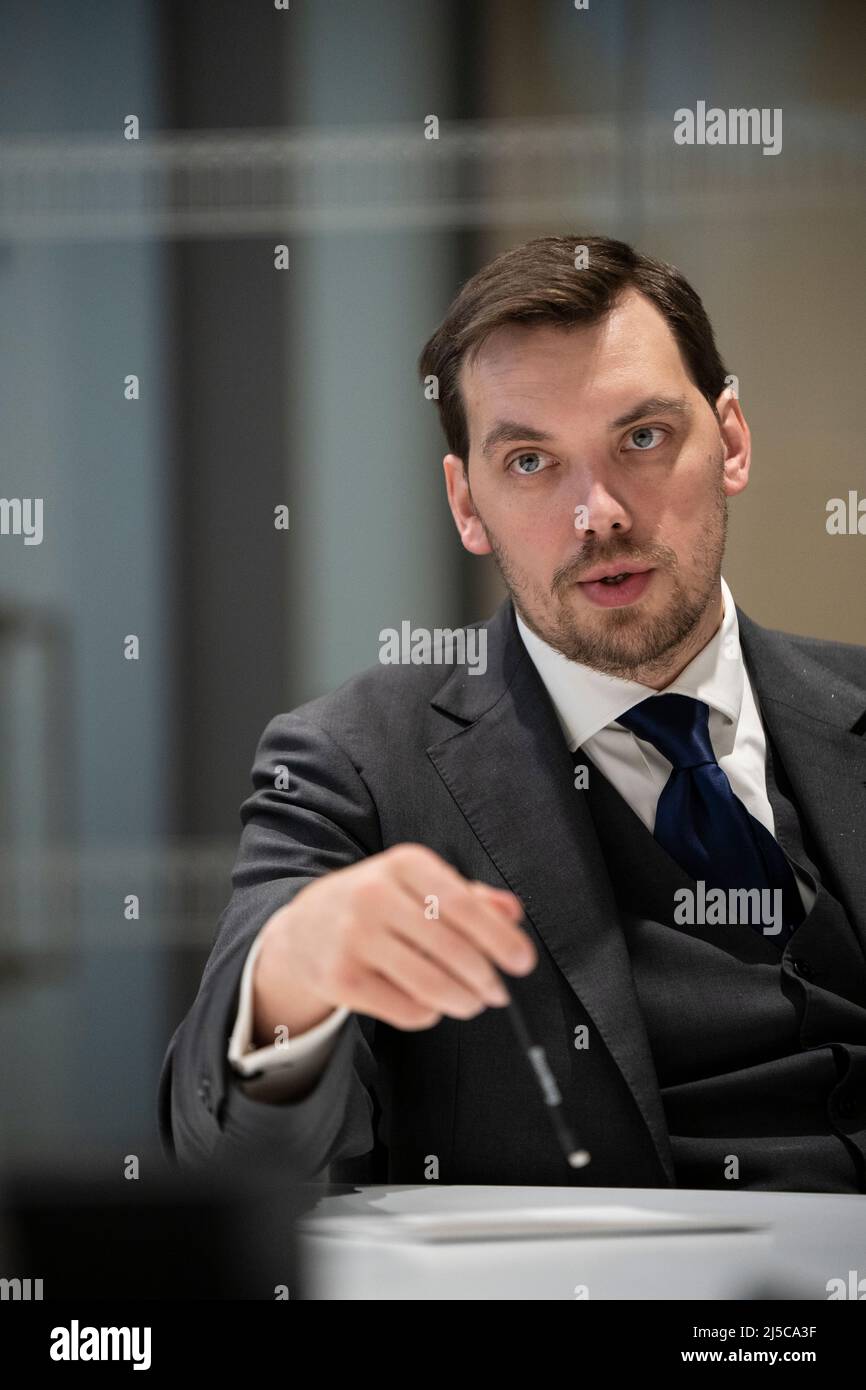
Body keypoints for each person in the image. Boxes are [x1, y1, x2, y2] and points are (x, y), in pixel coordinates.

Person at [159, 235, 866, 1191]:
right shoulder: (356, 767)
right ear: (467, 503)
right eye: (531, 461)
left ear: (731, 440)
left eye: (643, 439)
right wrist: (292, 969)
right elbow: (229, 1157)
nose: (600, 513)